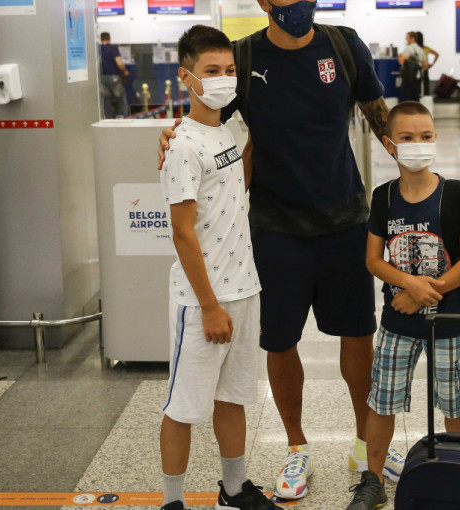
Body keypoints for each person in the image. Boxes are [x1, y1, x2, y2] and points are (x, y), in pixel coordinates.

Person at [157, 0, 403, 501]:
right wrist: (169, 135)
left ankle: (365, 446)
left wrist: (416, 166)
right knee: (280, 343)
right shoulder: (243, 59)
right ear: (265, 3)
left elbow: (378, 115)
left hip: (345, 221)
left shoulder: (343, 44)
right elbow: (206, 119)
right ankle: (296, 446)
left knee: (359, 336)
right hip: (275, 228)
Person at [158, 25, 276, 510]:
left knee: (233, 397)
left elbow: (233, 187)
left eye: (229, 70)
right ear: (187, 77)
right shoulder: (182, 145)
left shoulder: (225, 130)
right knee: (184, 407)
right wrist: (209, 306)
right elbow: (182, 232)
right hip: (202, 301)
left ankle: (234, 487)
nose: (224, 78)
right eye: (212, 71)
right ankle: (173, 501)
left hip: (243, 288)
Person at [346, 100, 460, 510]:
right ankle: (373, 480)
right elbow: (373, 260)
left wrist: (429, 290)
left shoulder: (455, 196)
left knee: (455, 401)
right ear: (390, 144)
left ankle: (459, 474)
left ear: (435, 139)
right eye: (406, 138)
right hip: (398, 321)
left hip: (449, 322)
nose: (417, 144)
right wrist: (407, 284)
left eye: (425, 136)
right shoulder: (385, 198)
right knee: (382, 400)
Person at [99, 32, 130, 118]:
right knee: (121, 99)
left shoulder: (98, 49)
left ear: (101, 39)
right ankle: (122, 118)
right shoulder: (113, 48)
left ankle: (108, 119)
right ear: (109, 38)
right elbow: (119, 63)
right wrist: (125, 71)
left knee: (106, 100)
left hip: (102, 78)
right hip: (114, 77)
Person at [399, 31, 426, 102]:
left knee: (405, 99)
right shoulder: (421, 49)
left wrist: (400, 56)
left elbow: (401, 62)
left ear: (412, 39)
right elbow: (425, 64)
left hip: (408, 77)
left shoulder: (408, 48)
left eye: (407, 38)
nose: (406, 40)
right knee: (415, 98)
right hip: (418, 77)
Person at [415, 32, 439, 97]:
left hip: (418, 70)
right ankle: (425, 98)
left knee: (418, 88)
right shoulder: (425, 48)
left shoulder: (415, 49)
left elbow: (437, 54)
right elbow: (436, 54)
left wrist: (432, 64)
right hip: (424, 70)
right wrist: (432, 64)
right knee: (425, 88)